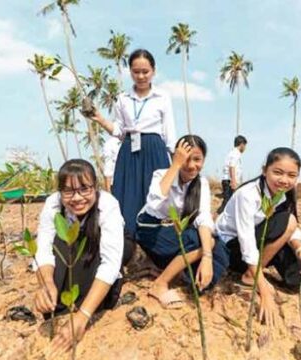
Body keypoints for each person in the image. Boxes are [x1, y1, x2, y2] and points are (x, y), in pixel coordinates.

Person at [34, 159, 134, 352]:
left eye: (85, 189)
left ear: (95, 188)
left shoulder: (108, 204)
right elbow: (43, 249)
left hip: (104, 242)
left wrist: (82, 317)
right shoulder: (53, 204)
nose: (77, 198)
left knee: (90, 300)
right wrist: (46, 283)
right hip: (74, 241)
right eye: (69, 191)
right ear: (60, 192)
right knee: (59, 302)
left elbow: (110, 263)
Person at [215, 148, 301, 327]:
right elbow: (247, 239)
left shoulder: (283, 195)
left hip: (264, 243)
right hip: (235, 250)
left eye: (291, 175)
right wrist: (263, 289)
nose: (284, 180)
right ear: (265, 170)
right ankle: (250, 276)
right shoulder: (247, 195)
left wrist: (300, 249)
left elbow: (289, 231)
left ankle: (261, 270)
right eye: (278, 173)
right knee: (288, 220)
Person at [136, 135, 229, 309]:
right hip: (152, 230)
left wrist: (207, 257)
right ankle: (160, 283)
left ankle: (189, 279)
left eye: (197, 159)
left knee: (218, 249)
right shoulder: (162, 174)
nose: (192, 165)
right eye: (186, 159)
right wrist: (175, 165)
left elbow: (203, 217)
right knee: (197, 241)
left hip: (176, 232)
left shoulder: (201, 183)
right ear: (176, 157)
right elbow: (154, 202)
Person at [91, 49, 176, 237]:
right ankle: (128, 244)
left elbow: (169, 133)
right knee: (127, 198)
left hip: (154, 149)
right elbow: (119, 131)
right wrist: (100, 119)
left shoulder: (162, 98)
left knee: (155, 199)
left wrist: (174, 165)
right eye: (136, 71)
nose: (141, 76)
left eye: (145, 71)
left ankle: (153, 247)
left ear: (153, 71)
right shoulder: (122, 98)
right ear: (130, 71)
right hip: (129, 150)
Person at [217, 135, 247, 214]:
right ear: (242, 144)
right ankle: (216, 217)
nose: (245, 148)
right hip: (229, 180)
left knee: (229, 202)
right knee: (227, 202)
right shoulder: (235, 153)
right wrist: (233, 181)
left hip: (228, 180)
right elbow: (232, 167)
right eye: (245, 146)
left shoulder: (233, 153)